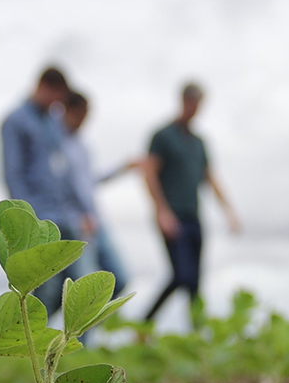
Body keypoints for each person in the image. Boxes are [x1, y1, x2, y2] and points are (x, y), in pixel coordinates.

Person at [142, 81, 241, 324]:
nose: (195, 108)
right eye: (192, 102)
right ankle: (144, 323)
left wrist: (229, 211)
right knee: (182, 275)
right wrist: (161, 211)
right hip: (172, 216)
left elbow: (209, 177)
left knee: (195, 282)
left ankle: (196, 339)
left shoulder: (199, 143)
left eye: (199, 104)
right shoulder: (163, 135)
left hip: (193, 216)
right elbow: (149, 172)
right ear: (184, 101)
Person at [0, 66, 95, 318]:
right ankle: (29, 342)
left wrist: (83, 210)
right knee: (47, 289)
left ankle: (77, 345)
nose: (58, 104)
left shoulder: (53, 122)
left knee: (81, 285)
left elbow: (65, 173)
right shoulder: (15, 121)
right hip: (40, 215)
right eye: (56, 97)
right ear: (44, 87)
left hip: (66, 213)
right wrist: (27, 219)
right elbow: (13, 174)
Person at [61, 90, 137, 297]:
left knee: (119, 279)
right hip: (75, 224)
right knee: (85, 292)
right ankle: (76, 328)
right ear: (68, 111)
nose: (82, 122)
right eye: (79, 116)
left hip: (95, 221)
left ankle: (83, 324)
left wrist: (123, 168)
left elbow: (90, 181)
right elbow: (58, 188)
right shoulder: (54, 144)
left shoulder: (83, 146)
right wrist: (76, 217)